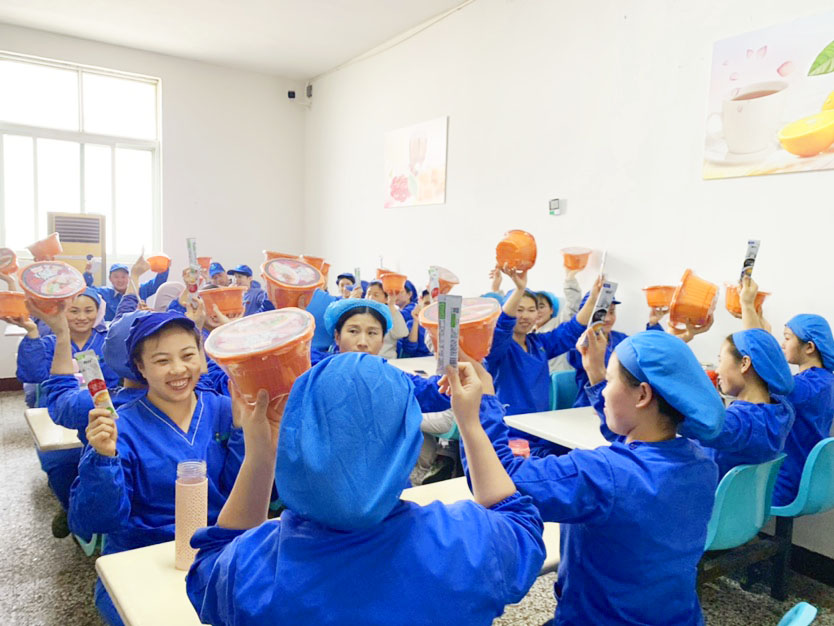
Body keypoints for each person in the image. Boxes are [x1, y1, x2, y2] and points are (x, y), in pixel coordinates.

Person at [186, 354, 545, 625]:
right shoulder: (469, 543)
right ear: (407, 441)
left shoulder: (250, 570)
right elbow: (520, 522)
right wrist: (471, 424)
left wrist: (259, 459)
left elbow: (209, 568)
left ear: (297, 436)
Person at [468, 330, 724, 625]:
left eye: (610, 381)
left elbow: (499, 481)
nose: (603, 392)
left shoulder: (604, 474)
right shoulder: (702, 463)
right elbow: (634, 442)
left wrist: (482, 405)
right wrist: (595, 372)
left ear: (643, 395)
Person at [68, 311, 246, 625]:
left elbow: (242, 495)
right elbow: (96, 520)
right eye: (162, 360)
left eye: (188, 355)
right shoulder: (120, 427)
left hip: (219, 551)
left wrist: (244, 431)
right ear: (140, 367)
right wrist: (104, 459)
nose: (178, 369)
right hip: (144, 558)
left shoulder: (225, 410)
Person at [484, 266, 599, 456]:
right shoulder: (498, 347)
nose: (525, 316)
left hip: (538, 429)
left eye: (531, 310)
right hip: (510, 433)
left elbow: (572, 330)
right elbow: (503, 326)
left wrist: (593, 300)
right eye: (519, 309)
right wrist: (520, 289)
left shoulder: (539, 344)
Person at [738, 279, 834, 505]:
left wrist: (747, 305)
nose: (782, 344)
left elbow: (763, 365)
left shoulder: (807, 388)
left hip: (785, 485)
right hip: (810, 483)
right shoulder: (825, 381)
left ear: (809, 347)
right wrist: (757, 320)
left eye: (788, 338)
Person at [696, 328, 795, 478]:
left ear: (744, 363)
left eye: (721, 360)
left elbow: (694, 424)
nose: (717, 371)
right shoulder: (781, 412)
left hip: (711, 491)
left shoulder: (740, 423)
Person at [321, 298, 450, 413]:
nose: (363, 342)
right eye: (353, 331)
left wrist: (449, 352)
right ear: (337, 336)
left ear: (382, 340)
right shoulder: (319, 372)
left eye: (372, 333)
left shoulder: (393, 380)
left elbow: (436, 392)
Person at [11, 288, 119, 394]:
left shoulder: (108, 342)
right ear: (61, 312)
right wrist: (32, 332)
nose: (82, 317)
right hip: (58, 402)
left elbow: (115, 380)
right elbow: (33, 376)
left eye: (88, 311)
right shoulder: (50, 344)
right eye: (74, 311)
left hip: (103, 402)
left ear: (98, 312)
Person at [566, 291, 665, 406]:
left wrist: (653, 324)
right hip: (590, 405)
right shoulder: (582, 343)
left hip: (621, 405)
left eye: (612, 312)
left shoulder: (621, 339)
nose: (607, 318)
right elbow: (576, 356)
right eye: (601, 313)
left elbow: (644, 353)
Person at [84, 254, 169, 321]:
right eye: (116, 277)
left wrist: (164, 267)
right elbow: (86, 290)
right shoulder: (104, 293)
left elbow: (157, 283)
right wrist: (88, 274)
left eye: (123, 277)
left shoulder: (140, 289)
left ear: (129, 278)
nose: (120, 280)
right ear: (110, 279)